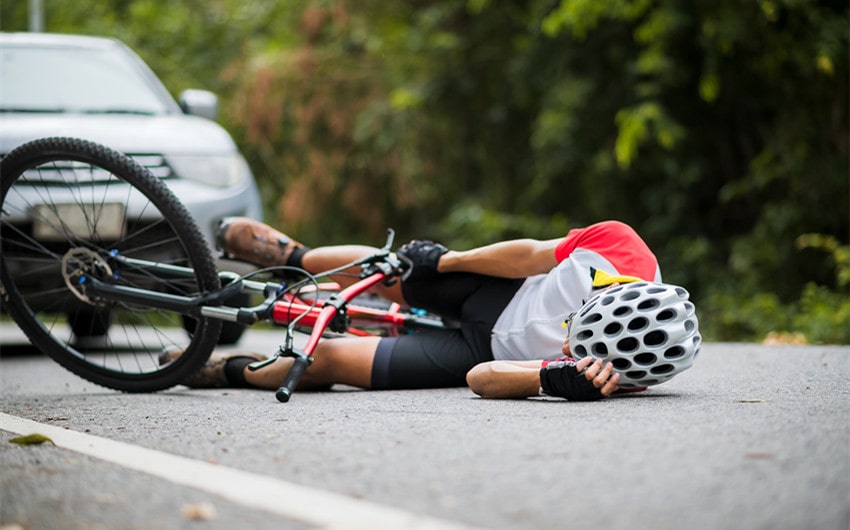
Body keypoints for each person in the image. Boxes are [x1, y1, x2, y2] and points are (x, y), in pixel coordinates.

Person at [162, 217, 697, 401]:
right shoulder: (618, 247)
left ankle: (213, 370)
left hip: (477, 349)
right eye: (574, 337)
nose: (564, 348)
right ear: (606, 293)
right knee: (391, 269)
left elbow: (483, 377)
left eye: (575, 350)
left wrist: (554, 379)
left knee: (328, 362)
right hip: (497, 291)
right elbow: (528, 254)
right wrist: (448, 262)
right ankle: (291, 258)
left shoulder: (628, 367)